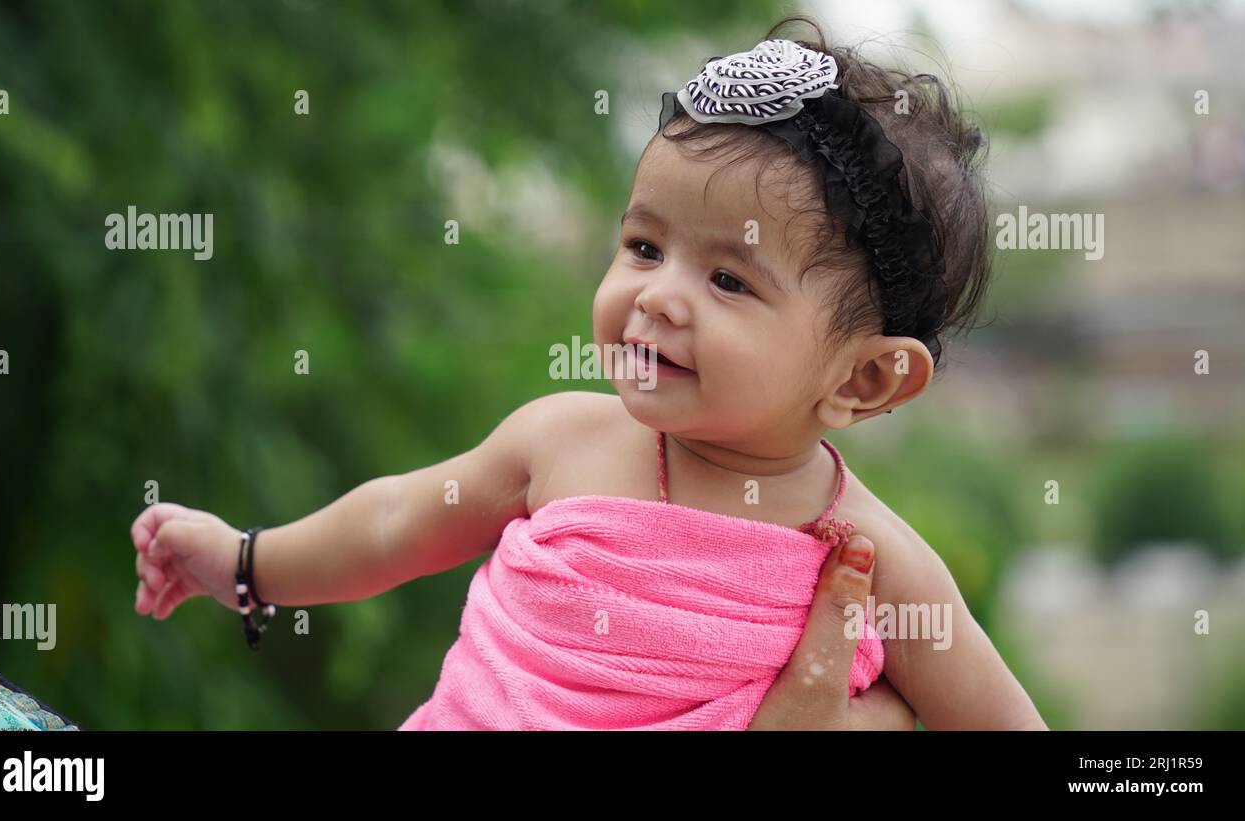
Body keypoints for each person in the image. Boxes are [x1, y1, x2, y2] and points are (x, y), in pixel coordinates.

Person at [131, 15, 1047, 730]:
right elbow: (392, 521)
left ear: (865, 380)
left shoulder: (870, 559)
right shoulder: (563, 438)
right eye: (644, 246)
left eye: (729, 278)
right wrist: (245, 560)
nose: (657, 297)